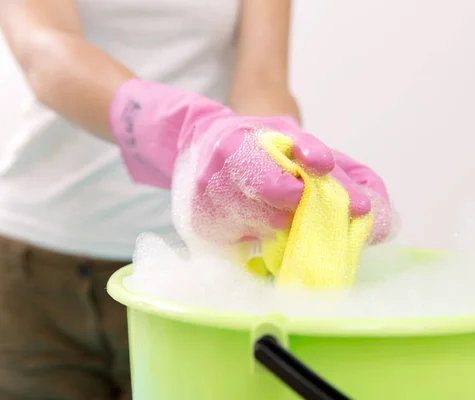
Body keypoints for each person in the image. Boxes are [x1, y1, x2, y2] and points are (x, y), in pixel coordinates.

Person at [0, 0, 394, 398]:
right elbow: (43, 48)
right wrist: (186, 129)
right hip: (32, 265)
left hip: (188, 275)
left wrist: (276, 150)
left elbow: (262, 79)